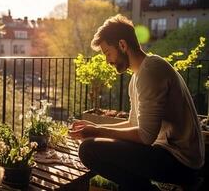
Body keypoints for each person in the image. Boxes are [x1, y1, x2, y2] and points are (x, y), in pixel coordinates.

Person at [69, 14, 205, 191]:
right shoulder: (137, 77)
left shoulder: (151, 71)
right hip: (165, 152)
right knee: (101, 153)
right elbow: (134, 124)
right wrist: (94, 126)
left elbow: (145, 136)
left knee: (88, 150)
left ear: (122, 45)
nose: (107, 60)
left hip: (181, 162)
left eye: (107, 52)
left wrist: (97, 131)